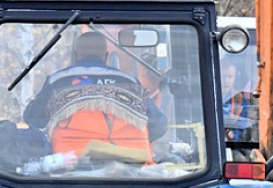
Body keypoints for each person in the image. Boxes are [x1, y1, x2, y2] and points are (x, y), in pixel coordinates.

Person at [24, 31, 167, 161]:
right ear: (106, 56)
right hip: (131, 171)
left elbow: (33, 119)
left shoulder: (57, 81)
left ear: (75, 55)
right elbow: (159, 124)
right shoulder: (129, 81)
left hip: (68, 168)